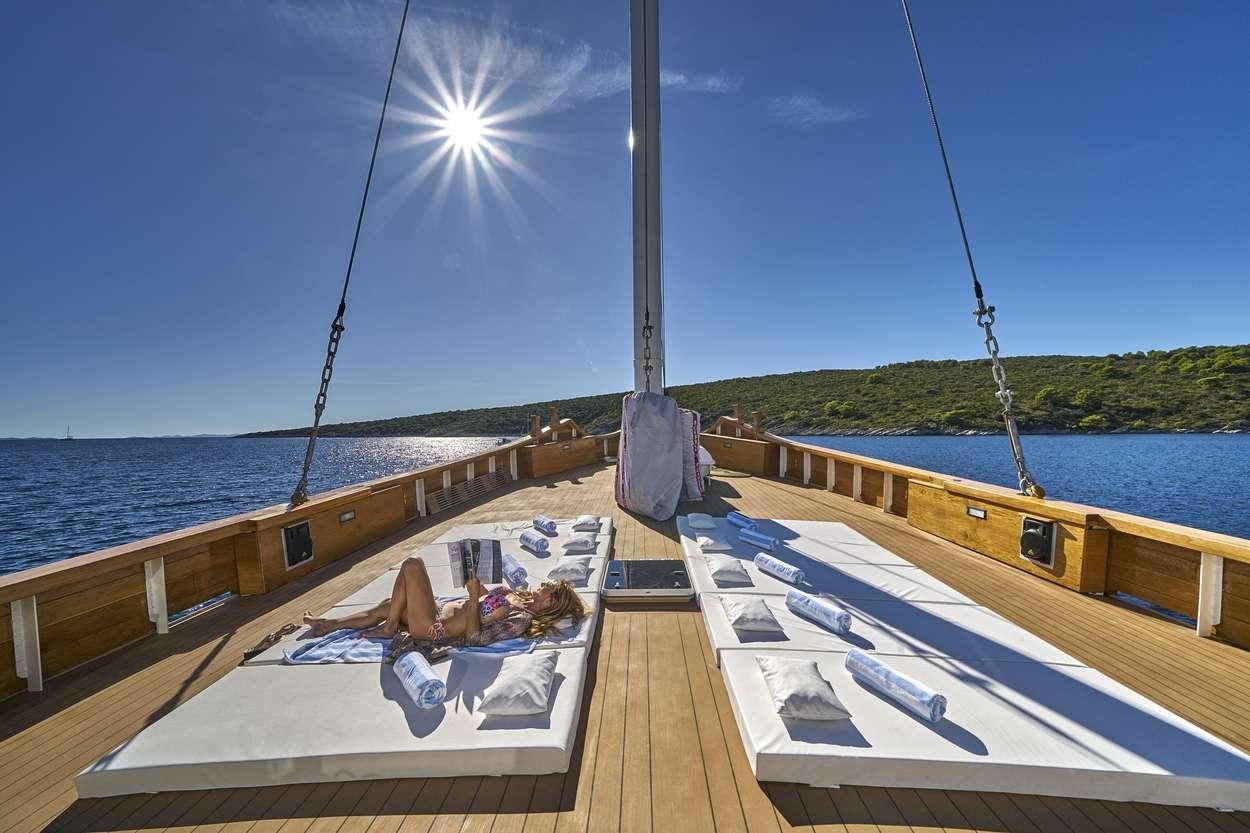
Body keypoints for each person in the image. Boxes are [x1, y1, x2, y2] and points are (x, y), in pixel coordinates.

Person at [302, 555, 586, 651]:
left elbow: (474, 639)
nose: (545, 583)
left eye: (550, 587)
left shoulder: (520, 618)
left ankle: (389, 627)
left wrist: (473, 598)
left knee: (413, 565)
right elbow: (485, 601)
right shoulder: (519, 595)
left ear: (550, 602)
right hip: (438, 610)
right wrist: (474, 577)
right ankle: (327, 625)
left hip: (434, 629)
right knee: (389, 603)